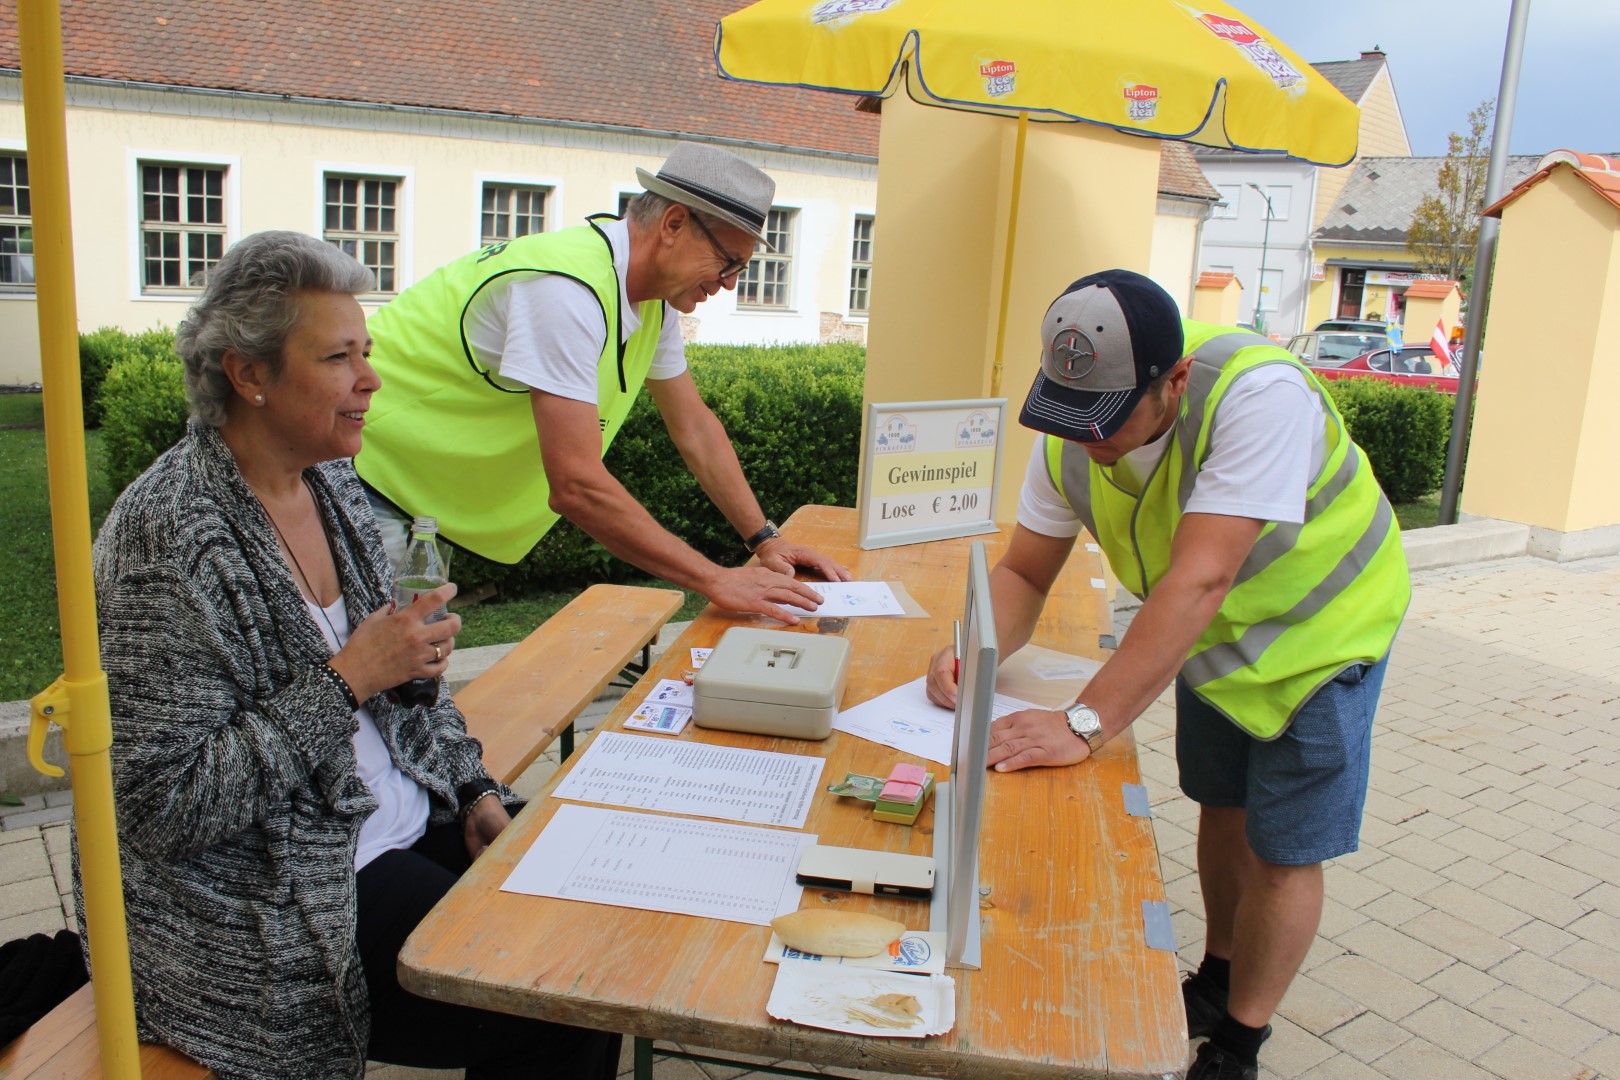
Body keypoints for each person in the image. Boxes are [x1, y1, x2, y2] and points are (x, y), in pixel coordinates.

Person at [80, 231, 621, 1080]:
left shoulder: (332, 482)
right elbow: (166, 804)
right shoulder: (168, 541)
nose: (372, 380)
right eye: (340, 357)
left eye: (367, 352)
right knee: (552, 994)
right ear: (249, 375)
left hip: (398, 822)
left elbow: (413, 691)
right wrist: (349, 676)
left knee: (586, 922)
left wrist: (473, 789)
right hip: (274, 891)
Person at [925, 270, 1408, 1080]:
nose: (1088, 440)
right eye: (1069, 415)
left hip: (1321, 640)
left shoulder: (1260, 397)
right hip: (1207, 641)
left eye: (1107, 420)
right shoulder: (1072, 438)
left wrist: (1081, 724)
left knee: (1283, 851)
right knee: (1220, 808)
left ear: (1175, 379)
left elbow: (1200, 580)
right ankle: (1219, 976)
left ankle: (1240, 1041)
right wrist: (972, 650)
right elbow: (1025, 575)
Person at [354, 141, 849, 624]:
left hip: (409, 484)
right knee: (402, 675)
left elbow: (694, 427)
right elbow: (576, 485)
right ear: (674, 223)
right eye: (728, 262)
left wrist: (766, 540)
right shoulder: (564, 290)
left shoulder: (652, 298)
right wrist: (715, 579)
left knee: (411, 674)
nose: (731, 284)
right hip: (361, 466)